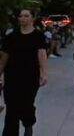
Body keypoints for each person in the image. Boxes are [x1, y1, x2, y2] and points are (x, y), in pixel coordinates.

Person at [0, 8, 49, 136]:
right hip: (12, 76)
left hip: (30, 76)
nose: (23, 18)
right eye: (21, 16)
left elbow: (42, 54)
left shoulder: (38, 36)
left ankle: (28, 124)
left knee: (26, 104)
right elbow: (4, 57)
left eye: (26, 16)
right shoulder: (11, 37)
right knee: (11, 107)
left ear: (33, 18)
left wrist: (44, 73)